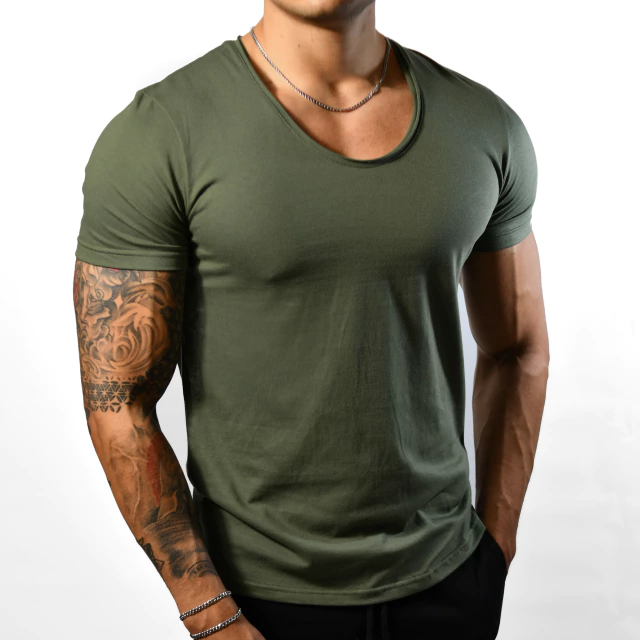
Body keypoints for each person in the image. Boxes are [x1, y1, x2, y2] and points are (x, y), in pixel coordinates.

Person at [73, 1, 549, 638]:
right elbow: (119, 400)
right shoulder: (160, 133)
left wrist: (496, 548)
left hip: (451, 583)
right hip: (257, 602)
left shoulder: (484, 126)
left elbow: (518, 348)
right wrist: (210, 612)